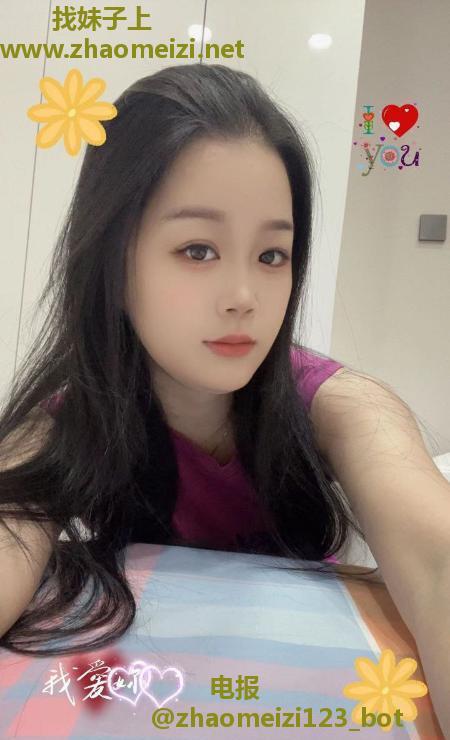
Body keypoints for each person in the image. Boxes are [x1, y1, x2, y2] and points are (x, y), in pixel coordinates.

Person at [0, 62, 449, 736]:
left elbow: (438, 562)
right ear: (113, 262)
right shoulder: (61, 422)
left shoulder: (341, 406)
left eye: (272, 256)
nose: (244, 296)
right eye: (198, 249)